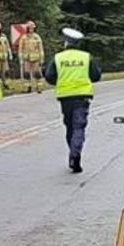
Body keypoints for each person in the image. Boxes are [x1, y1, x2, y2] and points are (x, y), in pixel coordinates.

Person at [44, 27, 101, 173]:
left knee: (70, 126)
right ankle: (75, 154)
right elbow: (96, 76)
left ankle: (72, 151)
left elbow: (49, 76)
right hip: (82, 96)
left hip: (65, 97)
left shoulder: (58, 58)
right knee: (79, 126)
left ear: (66, 43)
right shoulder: (86, 57)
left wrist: (62, 80)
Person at [18, 20, 45, 93]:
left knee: (37, 73)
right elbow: (20, 48)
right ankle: (28, 87)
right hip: (26, 58)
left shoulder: (37, 37)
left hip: (36, 58)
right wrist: (20, 57)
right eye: (29, 27)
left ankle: (39, 87)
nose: (31, 29)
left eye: (32, 27)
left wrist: (42, 58)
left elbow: (41, 48)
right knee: (26, 73)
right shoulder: (24, 37)